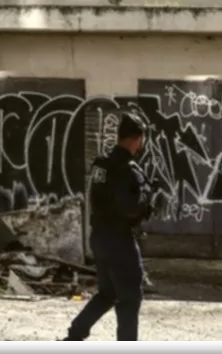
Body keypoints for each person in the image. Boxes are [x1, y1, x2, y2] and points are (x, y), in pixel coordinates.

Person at [62, 110, 153, 342]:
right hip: (119, 241)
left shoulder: (102, 163)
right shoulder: (127, 170)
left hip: (100, 238)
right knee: (130, 298)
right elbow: (131, 210)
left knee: (108, 293)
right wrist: (149, 201)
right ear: (136, 139)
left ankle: (76, 333)